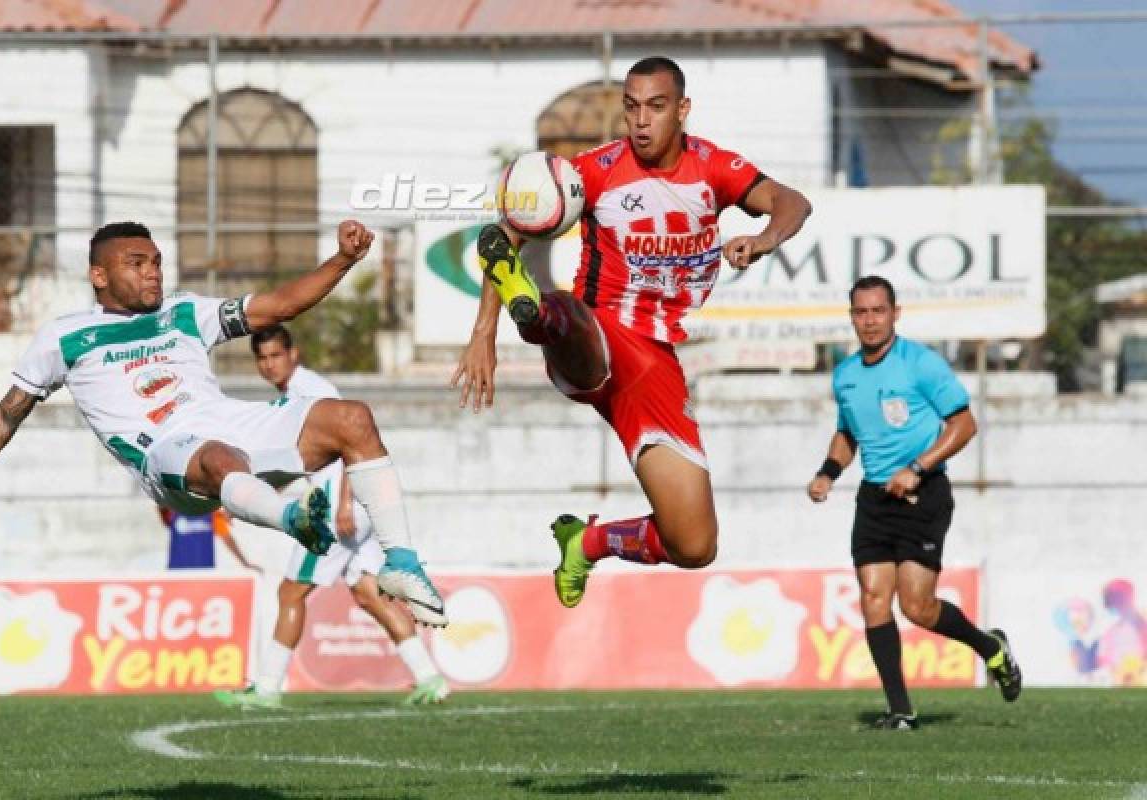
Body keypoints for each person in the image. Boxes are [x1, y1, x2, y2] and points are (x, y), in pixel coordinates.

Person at [0, 220, 445, 627]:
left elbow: (282, 306)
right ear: (99, 275)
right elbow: (6, 415)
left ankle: (401, 562)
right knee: (216, 455)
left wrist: (343, 260)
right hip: (165, 454)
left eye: (157, 263)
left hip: (229, 424)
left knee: (352, 418)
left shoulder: (184, 312)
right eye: (136, 264)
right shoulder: (65, 336)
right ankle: (295, 522)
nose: (152, 274)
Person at [453, 56, 811, 608]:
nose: (641, 121)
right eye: (631, 107)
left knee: (695, 545)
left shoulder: (713, 168)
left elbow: (793, 203)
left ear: (682, 110)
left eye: (656, 107)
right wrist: (483, 333)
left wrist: (764, 239)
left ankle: (587, 541)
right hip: (599, 333)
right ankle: (538, 313)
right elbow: (508, 229)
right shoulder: (594, 170)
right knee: (573, 315)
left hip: (654, 364)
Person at [807, 275, 1021, 730]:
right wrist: (828, 472)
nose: (869, 321)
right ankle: (900, 710)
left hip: (923, 495)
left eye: (877, 311)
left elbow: (964, 425)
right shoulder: (845, 374)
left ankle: (991, 649)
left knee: (917, 607)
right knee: (872, 598)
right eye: (861, 312)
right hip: (874, 499)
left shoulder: (921, 364)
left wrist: (919, 467)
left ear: (895, 314)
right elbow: (848, 433)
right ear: (852, 318)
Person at [214, 326, 448, 709]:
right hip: (350, 507)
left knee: (291, 591)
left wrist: (342, 503)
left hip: (335, 510)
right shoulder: (294, 393)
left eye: (276, 355)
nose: (270, 364)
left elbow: (348, 446)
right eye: (262, 358)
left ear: (294, 353)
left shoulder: (312, 390)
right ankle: (429, 678)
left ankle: (268, 688)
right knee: (369, 594)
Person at [158, 506, 260, 572]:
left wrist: (244, 562)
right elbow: (160, 504)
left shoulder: (212, 513)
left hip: (205, 574)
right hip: (176, 574)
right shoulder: (172, 510)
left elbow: (227, 538)